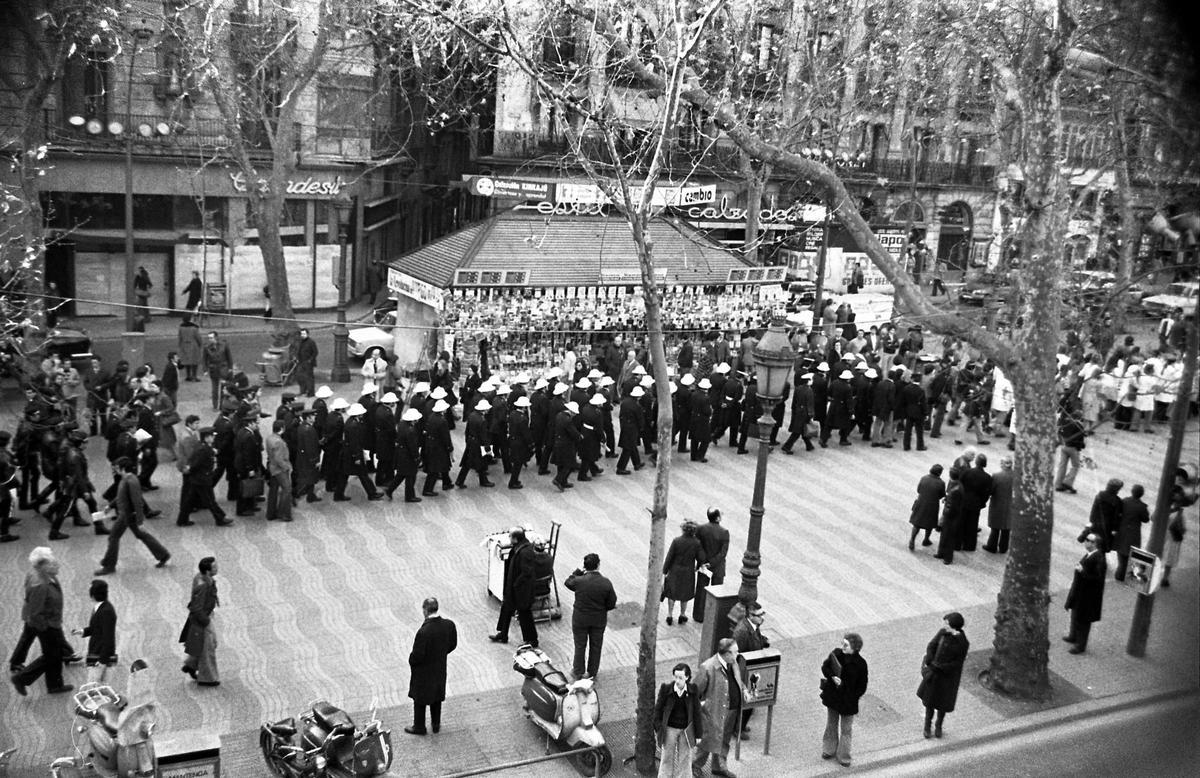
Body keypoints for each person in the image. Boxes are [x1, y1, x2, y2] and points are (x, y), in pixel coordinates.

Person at [10, 549, 74, 696]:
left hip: (48, 621)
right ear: (42, 565)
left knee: (55, 653)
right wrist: (46, 627)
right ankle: (23, 679)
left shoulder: (45, 576)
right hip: (46, 624)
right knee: (52, 654)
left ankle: (54, 684)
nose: (57, 565)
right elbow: (36, 612)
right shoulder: (40, 585)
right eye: (52, 563)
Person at [95, 457, 171, 576]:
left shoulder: (131, 481)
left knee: (113, 537)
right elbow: (121, 496)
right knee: (141, 535)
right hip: (127, 514)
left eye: (117, 468)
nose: (115, 470)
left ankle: (109, 565)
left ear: (123, 468)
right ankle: (163, 555)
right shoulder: (126, 479)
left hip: (126, 515)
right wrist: (110, 505)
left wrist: (140, 521)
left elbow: (138, 502)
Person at [405, 597, 458, 736]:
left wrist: (411, 661)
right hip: (439, 668)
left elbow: (417, 655)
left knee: (419, 699)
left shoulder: (424, 632)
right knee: (436, 696)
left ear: (425, 610)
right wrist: (441, 654)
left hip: (423, 671)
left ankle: (419, 726)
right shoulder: (449, 625)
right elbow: (453, 644)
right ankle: (436, 724)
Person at [692, 638, 744, 778]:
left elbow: (737, 681)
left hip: (731, 709)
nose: (738, 654)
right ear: (726, 654)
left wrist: (744, 690)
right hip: (713, 713)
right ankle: (696, 765)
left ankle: (719, 766)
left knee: (724, 740)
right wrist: (703, 708)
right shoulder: (708, 668)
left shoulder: (733, 663)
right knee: (707, 741)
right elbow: (694, 692)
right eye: (735, 652)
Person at [564, 553, 617, 680]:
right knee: (596, 646)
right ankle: (592, 672)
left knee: (580, 645)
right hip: (598, 619)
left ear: (585, 566)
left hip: (580, 619)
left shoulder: (579, 581)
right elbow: (611, 603)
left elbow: (568, 582)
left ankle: (578, 671)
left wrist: (578, 571)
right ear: (598, 565)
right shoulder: (606, 583)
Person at [819, 632, 869, 767]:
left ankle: (844, 756)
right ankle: (829, 749)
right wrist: (832, 677)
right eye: (843, 643)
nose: (843, 647)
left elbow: (862, 687)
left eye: (846, 645)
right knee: (831, 724)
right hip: (834, 697)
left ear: (855, 648)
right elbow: (825, 667)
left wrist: (845, 688)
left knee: (846, 729)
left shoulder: (861, 664)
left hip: (848, 702)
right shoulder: (837, 654)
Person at [917, 612, 969, 739]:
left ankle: (939, 725)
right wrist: (930, 661)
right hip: (935, 674)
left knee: (942, 703)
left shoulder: (962, 642)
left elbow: (957, 663)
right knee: (930, 701)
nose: (944, 625)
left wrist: (940, 667)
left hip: (948, 677)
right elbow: (932, 645)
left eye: (947, 623)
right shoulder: (943, 632)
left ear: (954, 626)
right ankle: (927, 726)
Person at [489, 527, 538, 646]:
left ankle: (531, 639)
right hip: (513, 587)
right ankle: (503, 633)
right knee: (506, 608)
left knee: (524, 614)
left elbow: (526, 572)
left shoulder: (525, 552)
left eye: (510, 536)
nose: (509, 538)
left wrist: (516, 584)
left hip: (522, 590)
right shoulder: (519, 547)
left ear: (515, 538)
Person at [654, 662, 702, 778]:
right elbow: (658, 710)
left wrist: (698, 734)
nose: (677, 681)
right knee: (666, 757)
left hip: (686, 729)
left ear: (687, 677)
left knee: (685, 758)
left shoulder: (693, 690)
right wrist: (659, 728)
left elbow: (697, 712)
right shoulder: (666, 689)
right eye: (675, 677)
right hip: (670, 728)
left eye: (680, 678)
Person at [1064, 533, 1107, 654]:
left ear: (1095, 544)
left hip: (1088, 596)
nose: (1085, 541)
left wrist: (1082, 571)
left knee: (1083, 621)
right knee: (1075, 615)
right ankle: (1073, 636)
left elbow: (1097, 579)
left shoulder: (1099, 558)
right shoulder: (1090, 555)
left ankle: (1080, 645)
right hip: (1080, 593)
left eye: (1088, 540)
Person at [180, 556, 220, 685]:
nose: (217, 568)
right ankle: (207, 678)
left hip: (205, 616)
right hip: (202, 619)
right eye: (214, 567)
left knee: (206, 644)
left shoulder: (201, 578)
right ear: (208, 571)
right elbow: (196, 608)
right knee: (208, 647)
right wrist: (206, 622)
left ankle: (191, 665)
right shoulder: (202, 585)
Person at [732, 603, 769, 736]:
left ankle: (741, 725)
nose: (762, 618)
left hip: (752, 669)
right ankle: (737, 728)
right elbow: (736, 654)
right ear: (750, 615)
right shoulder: (742, 632)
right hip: (744, 671)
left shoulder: (754, 626)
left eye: (762, 614)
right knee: (746, 700)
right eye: (759, 615)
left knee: (751, 700)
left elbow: (757, 639)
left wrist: (763, 641)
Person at [662, 520, 706, 626]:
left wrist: (665, 570)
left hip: (675, 570)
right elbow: (701, 558)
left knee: (672, 593)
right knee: (685, 594)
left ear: (683, 529)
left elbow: (669, 557)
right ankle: (682, 614)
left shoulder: (676, 541)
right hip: (688, 572)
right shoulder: (697, 543)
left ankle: (669, 615)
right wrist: (697, 567)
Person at [75, 579, 117, 683]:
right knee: (98, 685)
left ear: (93, 595)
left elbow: (108, 638)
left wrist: (102, 661)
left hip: (100, 656)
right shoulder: (101, 607)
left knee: (94, 685)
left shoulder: (106, 611)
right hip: (98, 653)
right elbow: (97, 628)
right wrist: (83, 631)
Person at [693, 507, 729, 622]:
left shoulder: (700, 529)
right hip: (718, 567)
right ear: (717, 518)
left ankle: (698, 616)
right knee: (717, 592)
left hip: (703, 565)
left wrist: (704, 560)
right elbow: (723, 553)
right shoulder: (724, 532)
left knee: (701, 591)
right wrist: (712, 562)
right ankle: (714, 618)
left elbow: (698, 546)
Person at [1114, 484, 1150, 581]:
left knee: (1121, 552)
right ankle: (1123, 572)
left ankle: (1120, 572)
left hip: (1122, 530)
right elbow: (1146, 519)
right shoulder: (1142, 506)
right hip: (1134, 533)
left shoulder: (1124, 501)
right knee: (1130, 553)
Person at [908, 464, 945, 551]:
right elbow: (941, 495)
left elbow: (918, 489)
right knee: (930, 524)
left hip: (921, 502)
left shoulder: (924, 478)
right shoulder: (941, 483)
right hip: (932, 505)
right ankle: (926, 539)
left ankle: (912, 540)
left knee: (917, 523)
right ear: (939, 473)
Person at [983, 455, 1015, 553]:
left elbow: (991, 490)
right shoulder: (1016, 476)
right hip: (1010, 505)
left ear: (1004, 464)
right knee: (1006, 528)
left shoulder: (997, 476)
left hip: (997, 504)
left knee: (995, 527)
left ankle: (992, 545)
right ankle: (1003, 547)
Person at [935, 466, 964, 565]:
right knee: (945, 535)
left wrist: (945, 515)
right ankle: (941, 553)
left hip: (951, 516)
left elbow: (952, 506)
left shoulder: (955, 490)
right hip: (953, 515)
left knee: (949, 537)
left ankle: (947, 557)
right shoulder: (958, 485)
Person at [265, 420, 293, 521]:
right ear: (282, 428)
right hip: (279, 469)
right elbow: (279, 458)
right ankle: (284, 513)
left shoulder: (269, 438)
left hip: (272, 467)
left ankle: (271, 513)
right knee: (287, 489)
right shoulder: (279, 442)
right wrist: (286, 467)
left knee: (273, 490)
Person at [202, 332, 232, 411]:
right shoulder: (207, 347)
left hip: (223, 368)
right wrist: (205, 370)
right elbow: (204, 359)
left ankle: (222, 405)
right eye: (209, 338)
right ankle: (215, 405)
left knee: (223, 388)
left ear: (216, 338)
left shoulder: (224, 345)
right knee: (214, 390)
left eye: (211, 338)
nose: (210, 339)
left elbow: (229, 357)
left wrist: (230, 368)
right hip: (213, 369)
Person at [295, 328, 319, 397]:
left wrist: (310, 360)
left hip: (308, 363)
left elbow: (315, 352)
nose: (302, 335)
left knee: (309, 378)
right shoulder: (300, 342)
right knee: (300, 376)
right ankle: (303, 391)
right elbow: (299, 351)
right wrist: (297, 358)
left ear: (307, 334)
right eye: (301, 334)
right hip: (301, 362)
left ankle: (311, 392)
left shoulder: (311, 342)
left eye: (304, 334)